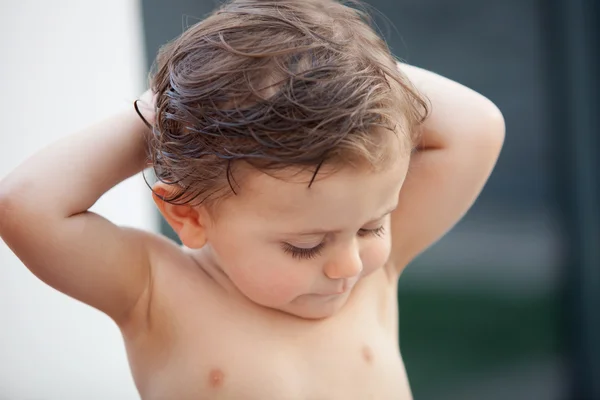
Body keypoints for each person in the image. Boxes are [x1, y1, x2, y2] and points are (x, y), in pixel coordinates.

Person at [0, 0, 505, 398]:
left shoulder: (376, 272)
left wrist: (342, 67)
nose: (351, 263)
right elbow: (27, 206)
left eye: (373, 226)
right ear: (189, 214)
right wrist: (173, 108)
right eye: (305, 245)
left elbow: (477, 127)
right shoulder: (156, 290)